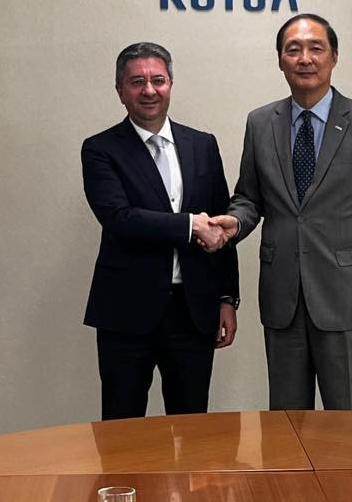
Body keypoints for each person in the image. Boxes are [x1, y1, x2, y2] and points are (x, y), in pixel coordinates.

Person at [214, 14, 352, 410]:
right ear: (280, 60)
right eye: (293, 50)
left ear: (334, 56)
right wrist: (234, 222)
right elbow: (249, 198)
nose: (305, 58)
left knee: (348, 422)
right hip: (282, 297)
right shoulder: (260, 123)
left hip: (348, 299)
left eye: (316, 48)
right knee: (286, 425)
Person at [81, 41, 239, 419]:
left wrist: (227, 299)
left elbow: (221, 225)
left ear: (170, 84)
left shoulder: (202, 145)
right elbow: (118, 217)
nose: (149, 90)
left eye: (158, 80)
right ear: (120, 91)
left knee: (192, 427)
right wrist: (189, 225)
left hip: (193, 311)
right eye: (137, 82)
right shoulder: (100, 149)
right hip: (126, 313)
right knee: (122, 428)